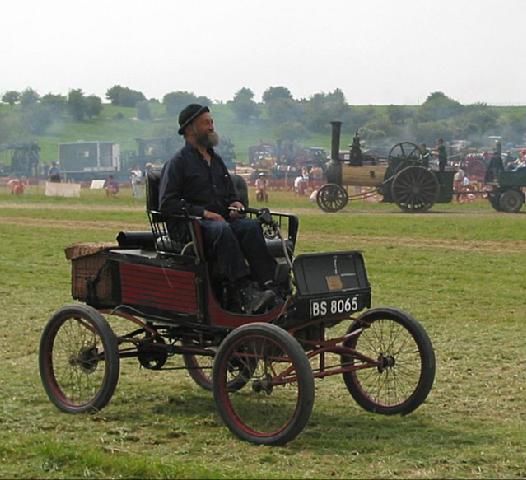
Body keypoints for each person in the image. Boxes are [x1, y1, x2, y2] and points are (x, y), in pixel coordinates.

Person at [158, 104, 276, 314]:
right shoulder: (177, 163)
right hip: (189, 227)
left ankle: (268, 285)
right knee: (221, 229)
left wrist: (235, 204)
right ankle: (243, 292)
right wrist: (203, 213)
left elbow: (230, 195)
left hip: (218, 223)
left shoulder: (217, 161)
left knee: (250, 227)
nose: (212, 126)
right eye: (206, 122)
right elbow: (167, 203)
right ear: (190, 129)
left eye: (212, 122)